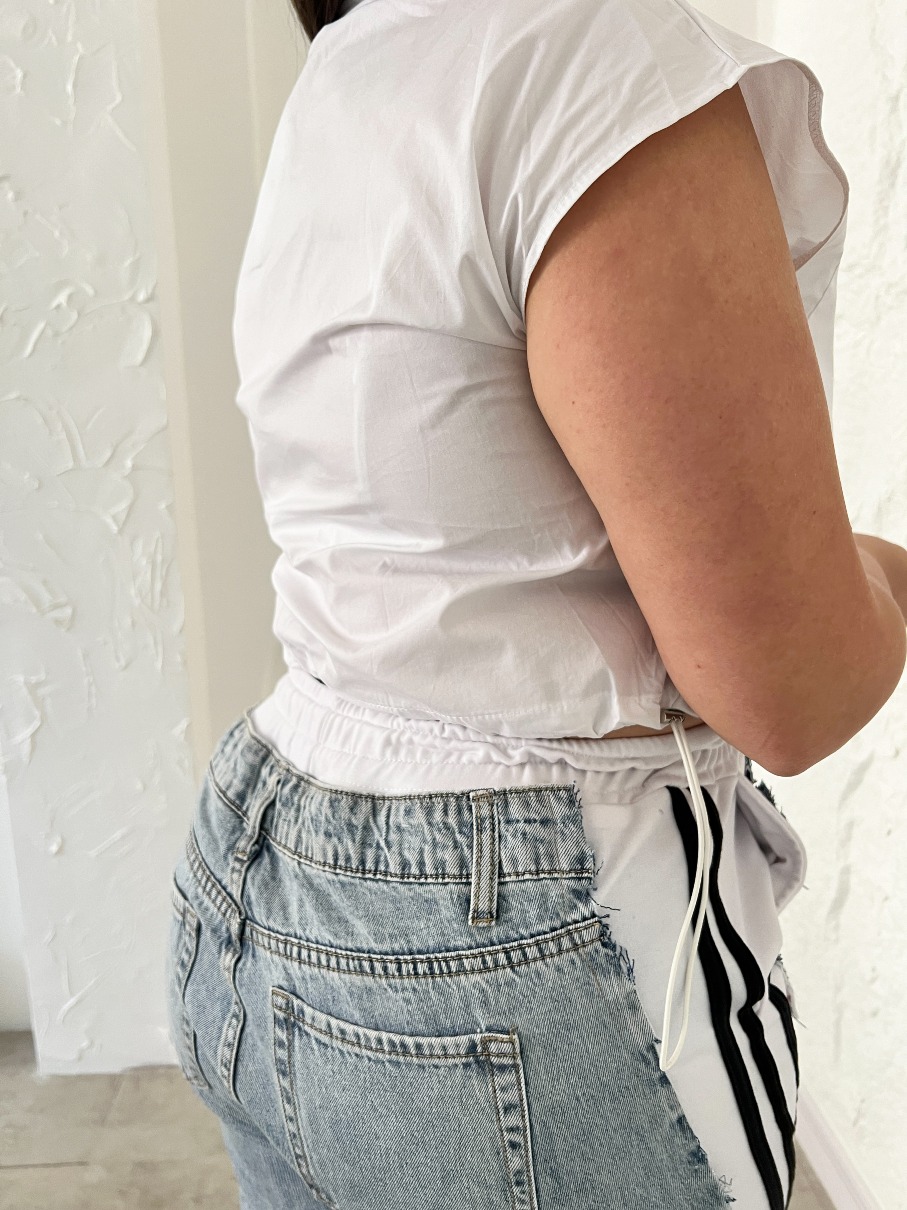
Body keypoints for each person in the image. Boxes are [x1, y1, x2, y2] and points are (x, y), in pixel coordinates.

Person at [165, 0, 907, 1206]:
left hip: (262, 850)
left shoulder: (357, 62)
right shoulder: (603, 67)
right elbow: (792, 685)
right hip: (517, 934)